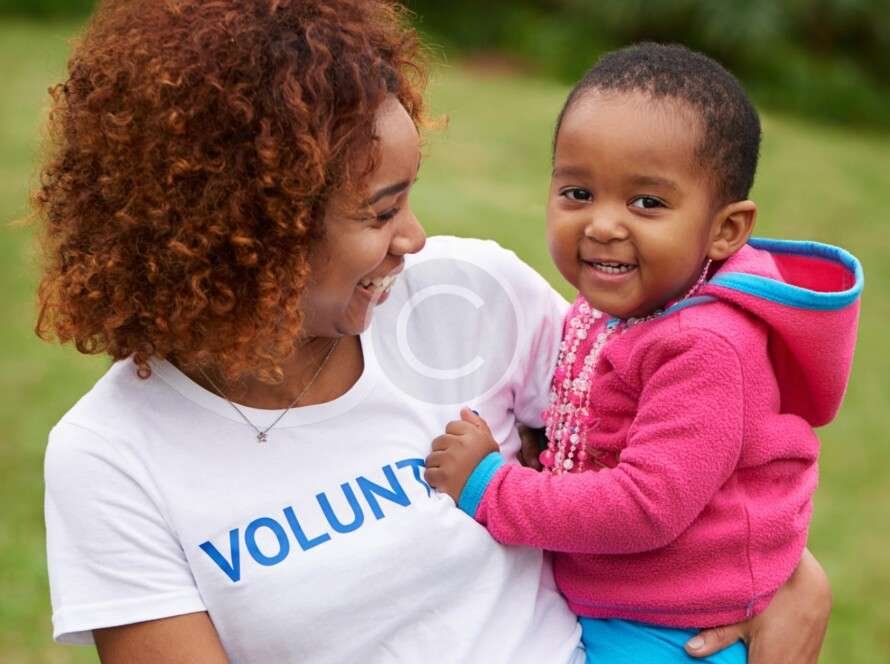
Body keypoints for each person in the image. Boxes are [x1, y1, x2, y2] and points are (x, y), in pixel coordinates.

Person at [34, 2, 831, 662]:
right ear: (249, 231)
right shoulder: (112, 457)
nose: (415, 238)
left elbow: (682, 460)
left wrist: (796, 584)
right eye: (380, 212)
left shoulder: (467, 296)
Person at [423, 44, 861, 663]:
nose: (603, 225)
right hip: (619, 601)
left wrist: (492, 487)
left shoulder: (706, 346)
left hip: (671, 630)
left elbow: (645, 506)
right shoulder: (617, 306)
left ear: (725, 230)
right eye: (578, 192)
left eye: (647, 203)